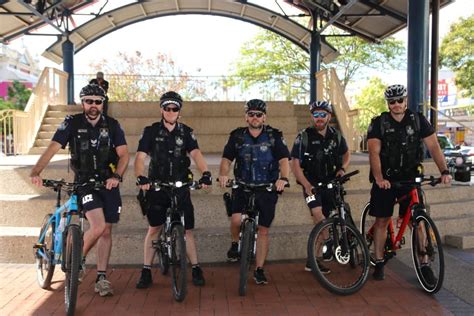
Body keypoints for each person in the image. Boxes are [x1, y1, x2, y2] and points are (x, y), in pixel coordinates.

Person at [30, 83, 129, 297]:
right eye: (89, 101)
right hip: (84, 182)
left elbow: (124, 154)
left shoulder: (113, 125)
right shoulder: (71, 123)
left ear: (103, 104)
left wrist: (117, 176)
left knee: (107, 231)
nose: (93, 105)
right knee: (99, 226)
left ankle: (101, 277)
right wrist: (36, 171)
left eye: (97, 102)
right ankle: (77, 261)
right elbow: (52, 148)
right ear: (82, 102)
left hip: (108, 182)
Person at [367, 84, 451, 281]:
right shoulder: (379, 123)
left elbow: (434, 146)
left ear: (406, 101)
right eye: (392, 102)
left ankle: (424, 264)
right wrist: (379, 178)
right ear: (388, 104)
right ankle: (379, 262)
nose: (396, 104)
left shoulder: (418, 120)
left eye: (399, 101)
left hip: (410, 178)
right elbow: (374, 152)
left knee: (418, 222)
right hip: (386, 180)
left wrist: (444, 171)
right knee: (381, 221)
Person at [135, 91, 211, 289]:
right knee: (154, 229)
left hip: (180, 186)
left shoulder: (186, 132)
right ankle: (145, 270)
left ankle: (195, 268)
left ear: (179, 111)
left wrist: (206, 173)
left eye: (174, 108)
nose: (170, 111)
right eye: (167, 108)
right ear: (161, 109)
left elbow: (196, 154)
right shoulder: (150, 131)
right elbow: (140, 157)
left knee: (187, 230)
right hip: (157, 186)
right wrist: (141, 177)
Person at [218, 99, 290, 285]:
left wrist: (283, 178)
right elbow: (226, 159)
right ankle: (235, 243)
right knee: (235, 219)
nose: (255, 117)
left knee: (263, 230)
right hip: (242, 186)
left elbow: (283, 160)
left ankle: (259, 269)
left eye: (259, 114)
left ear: (264, 117)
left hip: (266, 188)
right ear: (246, 117)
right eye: (251, 114)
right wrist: (223, 175)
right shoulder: (237, 136)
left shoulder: (274, 136)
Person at [290, 100, 350, 273]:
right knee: (318, 216)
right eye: (315, 115)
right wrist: (306, 184)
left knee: (323, 220)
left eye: (322, 114)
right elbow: (295, 163)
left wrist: (342, 168)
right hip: (311, 186)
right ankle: (327, 239)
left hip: (331, 184)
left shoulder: (336, 136)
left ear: (329, 116)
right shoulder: (304, 136)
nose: (319, 118)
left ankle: (312, 260)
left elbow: (346, 154)